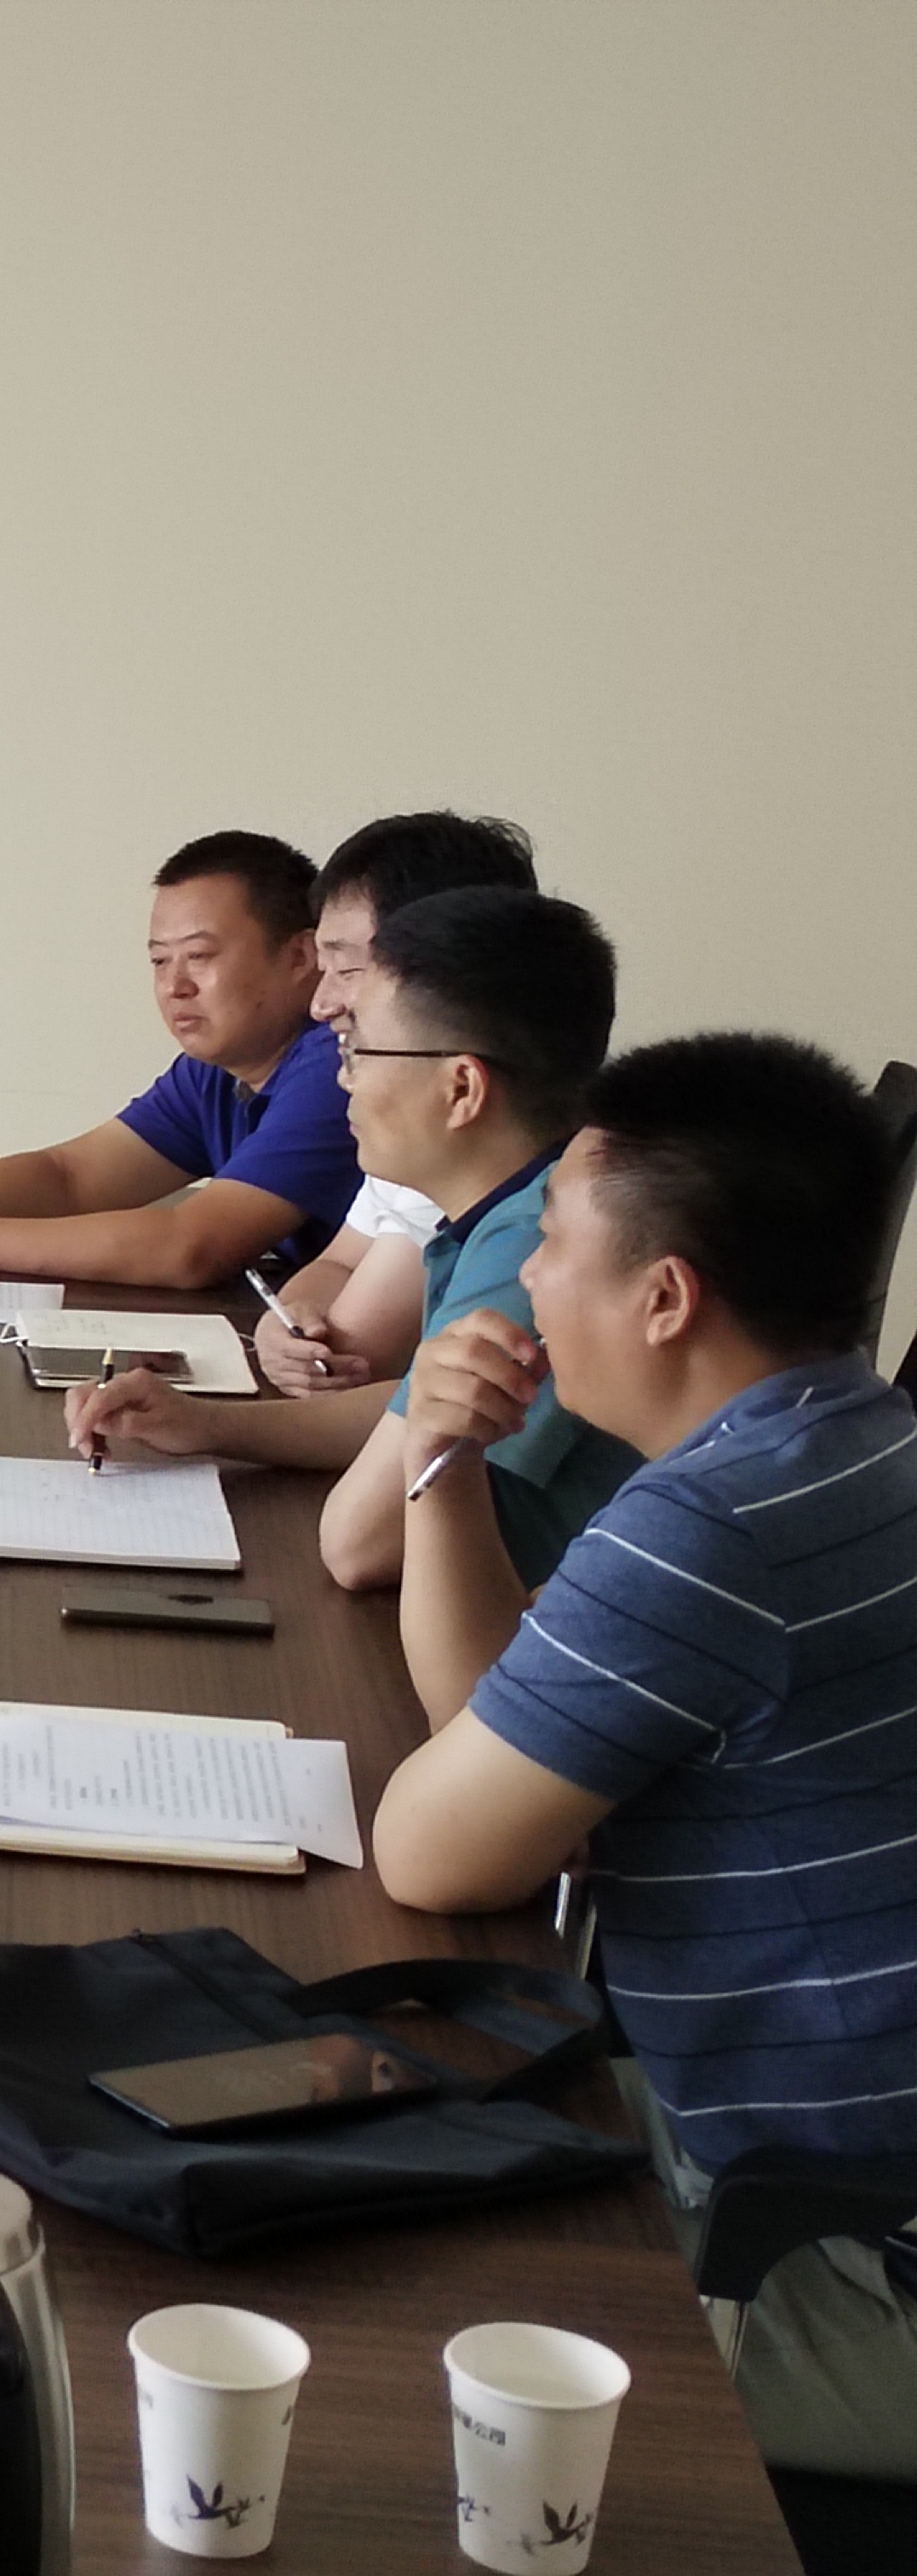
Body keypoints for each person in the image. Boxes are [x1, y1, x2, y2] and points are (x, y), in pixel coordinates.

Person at [370, 1034, 917, 2487]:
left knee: (363, 2304)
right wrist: (442, 1464)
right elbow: (504, 1728)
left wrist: (427, 1456)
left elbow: (431, 1851)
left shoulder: (711, 1528)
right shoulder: (852, 1433)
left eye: (550, 1241)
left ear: (665, 1296)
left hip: (840, 2272)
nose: (527, 1281)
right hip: (823, 2173)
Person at [68, 889, 638, 1593]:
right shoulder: (507, 1212)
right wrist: (206, 1424)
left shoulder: (539, 1246)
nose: (343, 1079)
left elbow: (359, 1543)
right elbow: (420, 1408)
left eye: (357, 1049)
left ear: (462, 1088)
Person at [0, 831, 358, 1289]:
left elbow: (192, 1248)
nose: (175, 986)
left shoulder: (338, 1065)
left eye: (199, 956)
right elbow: (69, 1177)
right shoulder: (215, 1072)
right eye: (160, 962)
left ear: (300, 957)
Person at [254, 813, 542, 1395]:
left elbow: (352, 1356)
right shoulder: (419, 1115)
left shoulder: (471, 1146)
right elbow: (336, 1265)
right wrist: (282, 1324)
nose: (320, 1004)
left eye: (347, 969)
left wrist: (205, 1421)